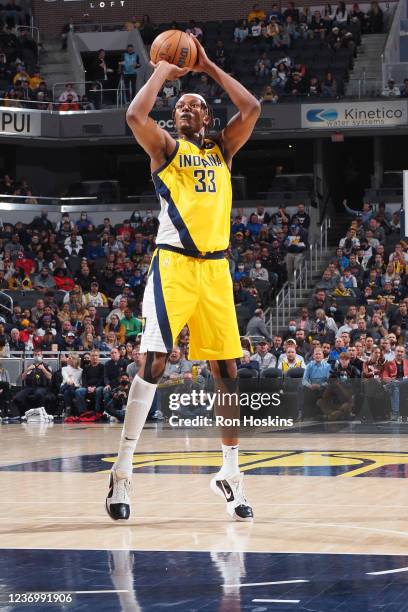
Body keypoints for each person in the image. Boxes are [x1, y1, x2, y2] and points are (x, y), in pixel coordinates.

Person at [106, 34, 261, 523]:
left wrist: (209, 66)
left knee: (227, 374)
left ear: (208, 118)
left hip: (216, 269)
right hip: (173, 263)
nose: (185, 109)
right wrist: (162, 72)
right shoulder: (167, 150)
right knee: (154, 361)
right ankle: (123, 470)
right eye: (180, 107)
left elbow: (252, 106)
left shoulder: (222, 150)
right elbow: (135, 116)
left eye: (194, 106)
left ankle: (230, 474)